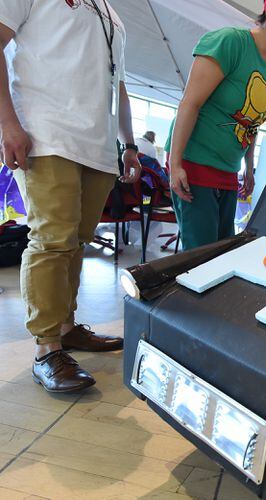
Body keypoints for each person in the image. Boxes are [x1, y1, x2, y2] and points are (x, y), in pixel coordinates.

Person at [0, 0, 141, 393]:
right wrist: (8, 124)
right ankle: (47, 350)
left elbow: (119, 84)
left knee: (76, 243)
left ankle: (66, 327)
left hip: (97, 144)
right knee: (51, 240)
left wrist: (129, 144)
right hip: (47, 132)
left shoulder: (110, 12)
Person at [166, 0, 266, 250]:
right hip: (196, 161)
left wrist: (248, 165)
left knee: (222, 251)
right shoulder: (229, 42)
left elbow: (251, 121)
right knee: (199, 256)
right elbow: (190, 103)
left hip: (228, 169)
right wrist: (176, 163)